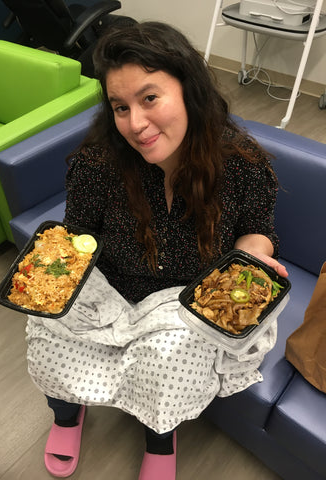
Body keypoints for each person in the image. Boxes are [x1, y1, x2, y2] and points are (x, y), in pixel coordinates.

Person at [25, 21, 288, 480]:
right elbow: (79, 232)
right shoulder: (98, 162)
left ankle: (159, 436)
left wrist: (252, 258)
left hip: (186, 297)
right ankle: (66, 412)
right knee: (46, 327)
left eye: (150, 98)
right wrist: (46, 273)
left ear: (188, 90)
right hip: (112, 285)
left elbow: (256, 230)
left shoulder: (242, 164)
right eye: (120, 107)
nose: (135, 124)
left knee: (170, 362)